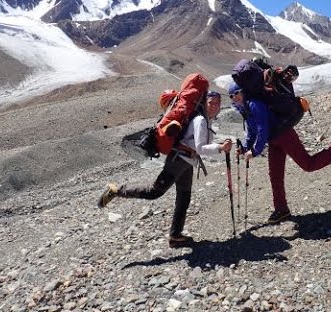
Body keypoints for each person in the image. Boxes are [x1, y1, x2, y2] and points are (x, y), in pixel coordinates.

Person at [98, 91, 233, 248]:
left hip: (187, 161)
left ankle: (175, 236)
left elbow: (197, 143)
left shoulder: (204, 120)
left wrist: (219, 145)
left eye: (217, 103)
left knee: (184, 198)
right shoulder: (201, 120)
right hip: (178, 161)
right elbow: (200, 147)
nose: (215, 106)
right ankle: (117, 190)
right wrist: (221, 147)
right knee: (155, 191)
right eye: (211, 102)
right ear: (204, 103)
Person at [229, 82, 331, 224]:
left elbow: (262, 129)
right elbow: (252, 132)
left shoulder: (255, 104)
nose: (234, 97)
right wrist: (244, 147)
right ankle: (282, 210)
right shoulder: (246, 109)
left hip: (285, 135)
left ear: (243, 91)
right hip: (274, 141)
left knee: (308, 165)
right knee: (275, 175)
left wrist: (255, 151)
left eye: (236, 93)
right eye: (231, 96)